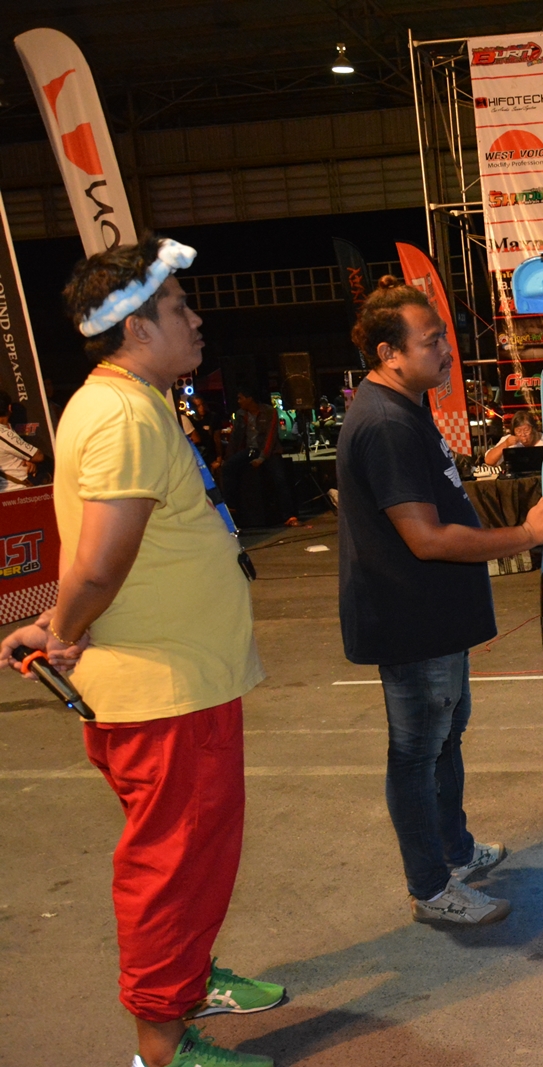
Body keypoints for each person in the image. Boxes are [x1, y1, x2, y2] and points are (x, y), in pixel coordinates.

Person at [1, 234, 281, 1066]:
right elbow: (100, 561)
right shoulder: (123, 414)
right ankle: (163, 1040)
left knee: (192, 857)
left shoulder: (134, 401)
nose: (196, 321)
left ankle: (190, 977)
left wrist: (57, 623)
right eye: (179, 308)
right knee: (172, 865)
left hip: (179, 683)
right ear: (136, 327)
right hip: (164, 694)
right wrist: (62, 630)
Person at [338, 281, 543, 927]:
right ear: (389, 353)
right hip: (412, 622)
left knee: (444, 738)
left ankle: (455, 850)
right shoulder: (387, 423)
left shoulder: (405, 406)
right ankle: (431, 886)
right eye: (431, 340)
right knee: (417, 751)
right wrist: (526, 534)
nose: (447, 348)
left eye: (444, 334)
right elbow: (427, 537)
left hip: (435, 619)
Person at [221, 387, 297, 526]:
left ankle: (289, 515)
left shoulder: (269, 411)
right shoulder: (241, 414)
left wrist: (262, 458)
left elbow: (270, 436)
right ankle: (231, 506)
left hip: (270, 451)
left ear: (249, 398)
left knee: (280, 478)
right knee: (228, 467)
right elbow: (235, 438)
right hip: (250, 449)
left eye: (241, 398)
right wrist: (227, 457)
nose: (239, 401)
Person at [0, 395, 43, 489]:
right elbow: (38, 456)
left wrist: (27, 458)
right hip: (16, 489)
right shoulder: (3, 433)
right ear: (9, 408)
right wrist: (30, 458)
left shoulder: (6, 429)